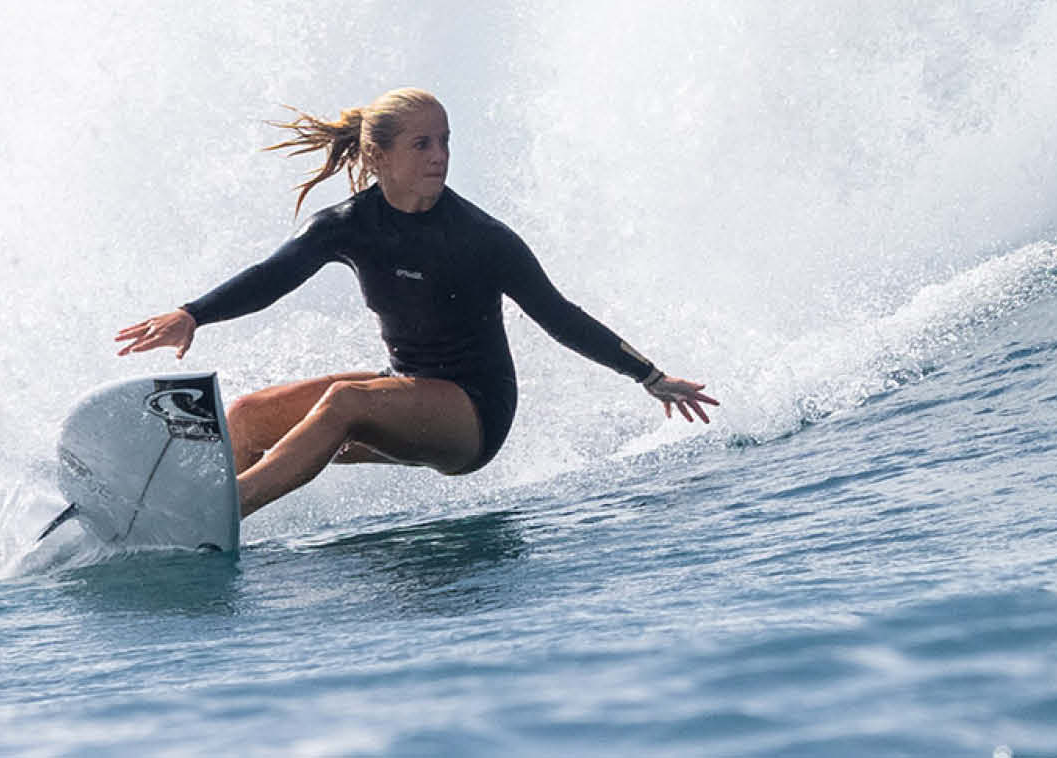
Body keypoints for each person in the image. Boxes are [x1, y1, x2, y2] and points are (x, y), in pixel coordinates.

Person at [113, 88, 717, 517]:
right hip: (405, 390)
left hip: (474, 416)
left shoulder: (482, 238)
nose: (439, 156)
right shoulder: (348, 224)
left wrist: (650, 376)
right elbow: (274, 275)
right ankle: (175, 517)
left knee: (344, 402)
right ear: (378, 156)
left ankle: (219, 515)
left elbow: (559, 316)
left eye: (445, 142)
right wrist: (193, 314)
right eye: (422, 144)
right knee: (246, 416)